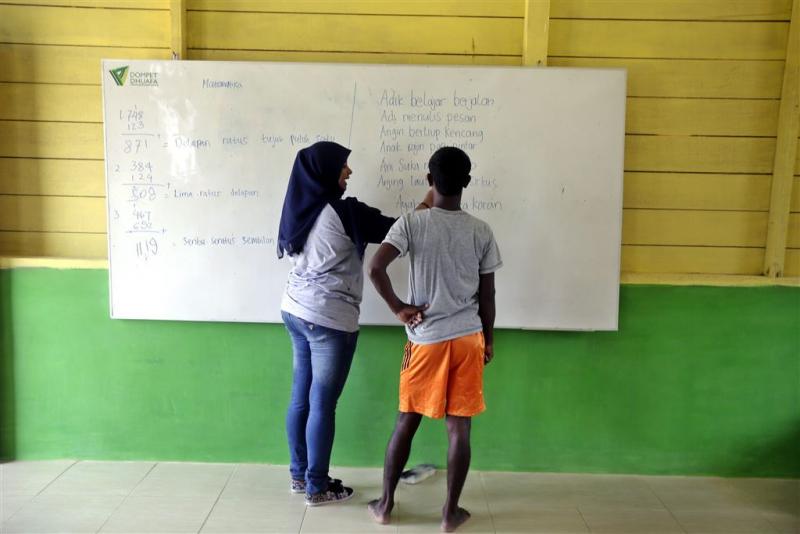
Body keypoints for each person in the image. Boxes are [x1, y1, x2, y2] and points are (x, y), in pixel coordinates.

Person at [277, 141, 432, 506]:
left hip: (295, 312)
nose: (349, 171)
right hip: (328, 320)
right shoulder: (344, 212)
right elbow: (399, 230)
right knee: (322, 404)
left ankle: (300, 476)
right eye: (343, 166)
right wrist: (429, 199)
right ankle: (317, 486)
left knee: (301, 397)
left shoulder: (299, 208)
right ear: (326, 171)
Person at [366, 146, 502, 532]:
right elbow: (488, 296)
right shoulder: (481, 230)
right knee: (460, 428)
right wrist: (488, 340)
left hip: (425, 340)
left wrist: (399, 308)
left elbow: (376, 267)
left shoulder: (412, 223)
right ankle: (449, 513)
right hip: (467, 339)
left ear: (429, 180)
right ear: (468, 183)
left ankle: (386, 505)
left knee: (406, 420)